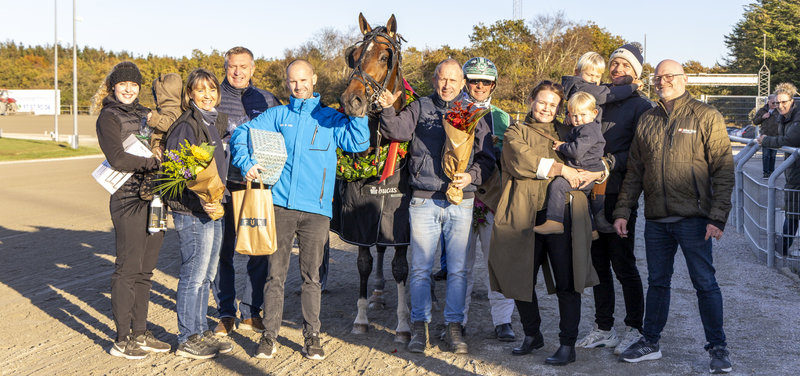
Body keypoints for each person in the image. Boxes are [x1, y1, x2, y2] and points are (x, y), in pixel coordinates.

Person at [231, 59, 369, 360]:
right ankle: (269, 336)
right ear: (287, 83)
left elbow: (358, 143)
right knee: (275, 276)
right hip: (279, 207)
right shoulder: (278, 115)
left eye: (304, 80)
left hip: (317, 211)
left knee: (311, 278)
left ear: (314, 79)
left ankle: (312, 337)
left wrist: (359, 116)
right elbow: (242, 135)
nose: (299, 86)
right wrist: (246, 162)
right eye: (293, 81)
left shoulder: (330, 118)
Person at [613, 59, 735, 374]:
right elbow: (635, 172)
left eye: (669, 76)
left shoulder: (706, 116)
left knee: (705, 283)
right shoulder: (648, 119)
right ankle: (650, 341)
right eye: (658, 77)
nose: (663, 81)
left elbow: (723, 168)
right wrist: (623, 210)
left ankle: (718, 348)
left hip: (694, 218)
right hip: (657, 220)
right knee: (657, 282)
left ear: (683, 79)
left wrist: (717, 215)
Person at [377, 59, 495, 355]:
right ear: (434, 79)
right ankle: (420, 327)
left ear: (462, 83)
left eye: (453, 81)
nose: (447, 85)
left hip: (461, 199)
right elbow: (397, 132)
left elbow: (486, 158)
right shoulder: (419, 107)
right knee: (420, 269)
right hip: (424, 199)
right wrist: (389, 108)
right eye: (442, 79)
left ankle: (454, 327)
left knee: (457, 270)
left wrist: (471, 176)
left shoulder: (472, 112)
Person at [489, 80, 601, 366]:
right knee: (520, 277)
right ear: (530, 101)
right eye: (542, 102)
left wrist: (600, 171)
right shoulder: (516, 131)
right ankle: (532, 334)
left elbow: (596, 153)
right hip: (523, 213)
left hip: (562, 216)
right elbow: (521, 160)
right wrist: (561, 167)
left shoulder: (568, 132)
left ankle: (567, 344)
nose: (547, 108)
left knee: (567, 280)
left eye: (553, 104)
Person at [577, 43, 651, 355]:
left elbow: (640, 152)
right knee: (597, 264)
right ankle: (603, 327)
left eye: (624, 65)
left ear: (636, 73)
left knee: (623, 263)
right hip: (589, 191)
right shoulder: (598, 97)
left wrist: (610, 162)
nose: (617, 69)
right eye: (615, 64)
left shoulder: (642, 106)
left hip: (619, 193)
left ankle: (635, 326)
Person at [96, 61, 170, 359]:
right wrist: (154, 162)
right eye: (123, 84)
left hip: (154, 197)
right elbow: (117, 158)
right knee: (127, 268)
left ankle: (140, 332)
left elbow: (159, 140)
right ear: (113, 86)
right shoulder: (108, 117)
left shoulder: (144, 114)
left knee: (146, 269)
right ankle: (121, 338)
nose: (129, 88)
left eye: (134, 84)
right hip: (127, 200)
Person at [212, 46, 282, 337]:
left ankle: (252, 311)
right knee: (222, 252)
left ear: (253, 69)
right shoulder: (213, 96)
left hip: (257, 186)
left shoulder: (268, 100)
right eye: (232, 67)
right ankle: (226, 312)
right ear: (226, 67)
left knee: (259, 250)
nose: (237, 72)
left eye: (243, 66)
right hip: (224, 186)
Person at [164, 68, 233, 360]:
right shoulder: (186, 125)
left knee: (207, 275)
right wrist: (203, 199)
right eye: (200, 90)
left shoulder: (216, 121)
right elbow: (179, 173)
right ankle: (186, 337)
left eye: (211, 90)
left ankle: (200, 329)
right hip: (193, 212)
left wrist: (217, 200)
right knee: (193, 274)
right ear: (190, 94)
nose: (207, 95)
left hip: (214, 207)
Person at [458, 57, 516, 342]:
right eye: (473, 80)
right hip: (461, 195)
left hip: (493, 196)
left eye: (486, 82)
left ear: (494, 84)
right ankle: (459, 318)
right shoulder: (455, 110)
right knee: (460, 264)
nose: (479, 86)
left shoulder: (503, 117)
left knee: (497, 261)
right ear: (465, 82)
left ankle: (503, 319)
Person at [533, 92, 606, 235]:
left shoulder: (589, 130)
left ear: (594, 113)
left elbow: (576, 151)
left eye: (582, 115)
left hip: (584, 172)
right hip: (587, 171)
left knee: (558, 185)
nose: (578, 119)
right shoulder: (586, 127)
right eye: (574, 116)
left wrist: (561, 146)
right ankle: (592, 230)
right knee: (583, 203)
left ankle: (554, 221)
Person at [758, 83, 800, 255]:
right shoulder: (783, 116)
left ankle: (781, 248)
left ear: (792, 100)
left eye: (784, 102)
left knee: (792, 210)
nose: (780, 106)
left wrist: (766, 140)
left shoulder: (797, 116)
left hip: (796, 172)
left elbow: (790, 140)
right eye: (777, 103)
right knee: (792, 208)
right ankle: (782, 248)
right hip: (794, 171)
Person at [753, 94, 779, 178]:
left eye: (776, 103)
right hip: (765, 136)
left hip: (775, 136)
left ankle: (772, 172)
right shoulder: (762, 110)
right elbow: (755, 121)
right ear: (768, 102)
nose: (775, 105)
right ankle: (766, 173)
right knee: (766, 155)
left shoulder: (779, 110)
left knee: (773, 156)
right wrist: (762, 117)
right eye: (773, 103)